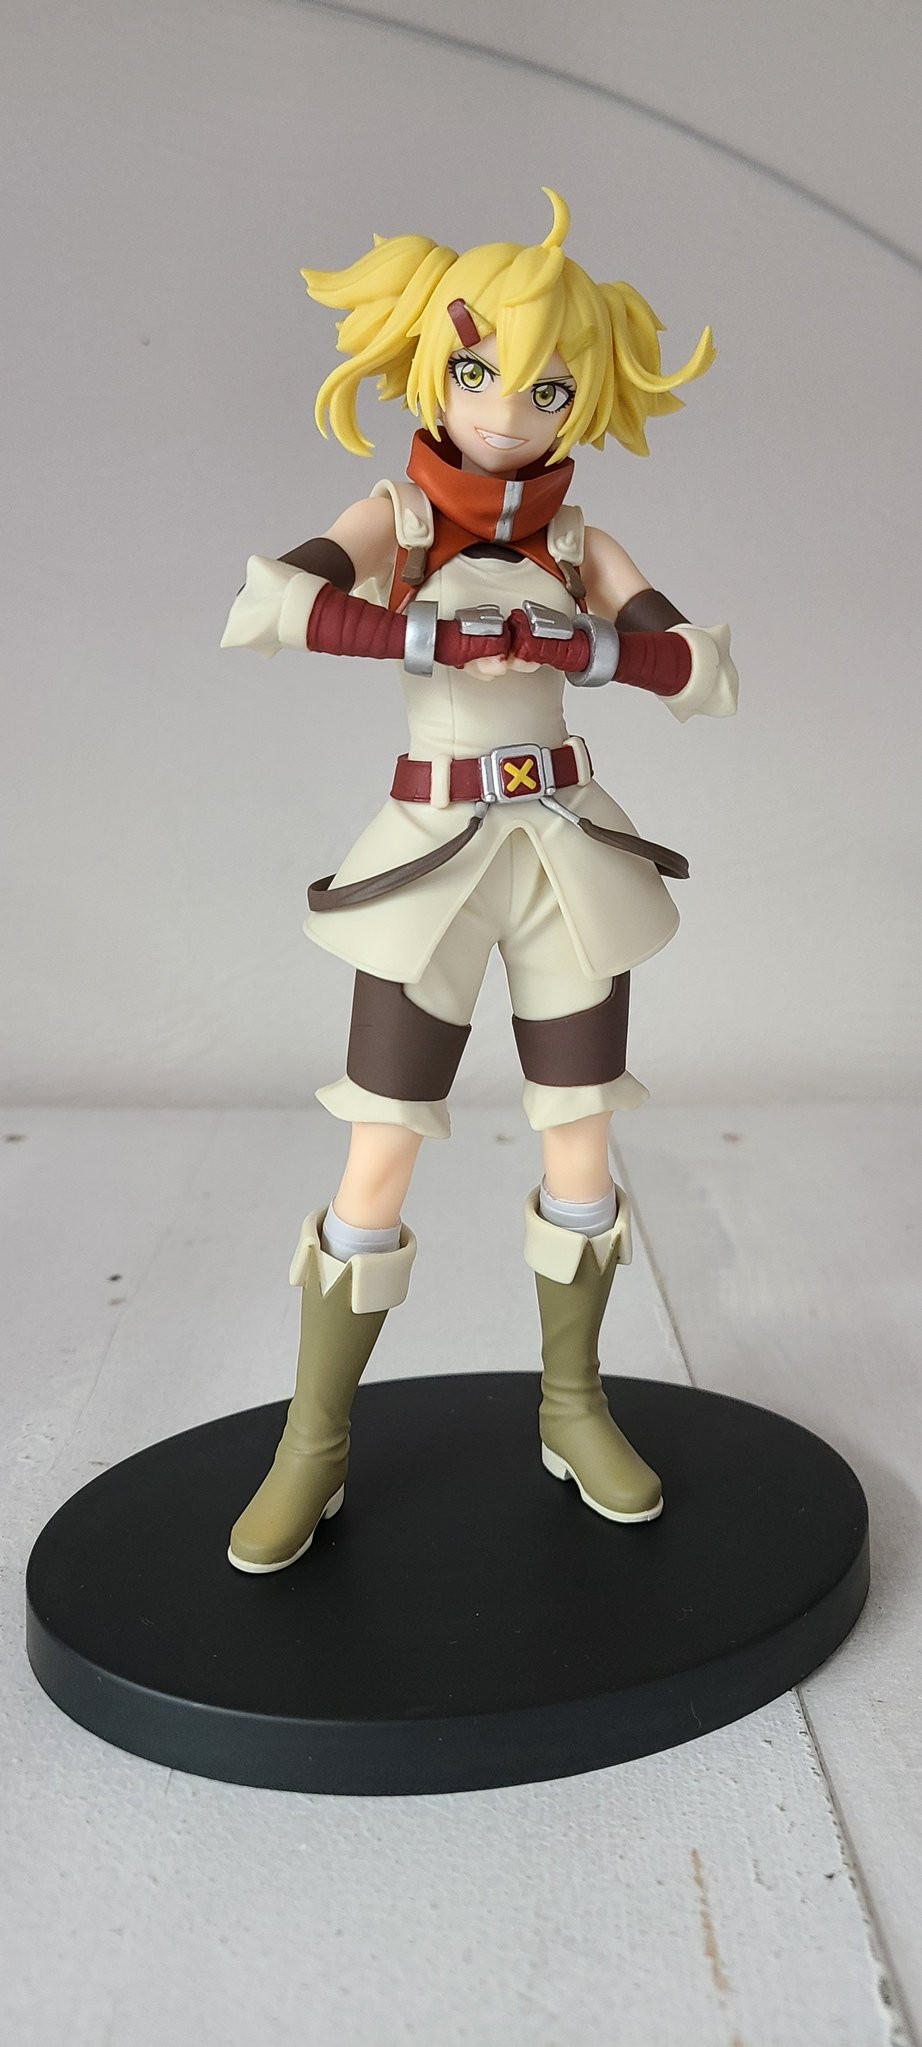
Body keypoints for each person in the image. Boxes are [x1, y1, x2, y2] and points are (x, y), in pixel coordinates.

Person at [220, 189, 738, 1573]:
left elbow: (699, 668)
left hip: (565, 856)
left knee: (581, 1136)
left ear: (586, 397)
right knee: (380, 1143)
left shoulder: (577, 546)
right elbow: (272, 601)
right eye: (477, 371)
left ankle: (573, 1407)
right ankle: (314, 1442)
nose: (509, 411)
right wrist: (430, 641)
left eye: (548, 387)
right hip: (431, 863)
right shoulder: (396, 516)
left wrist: (585, 653)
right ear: (427, 371)